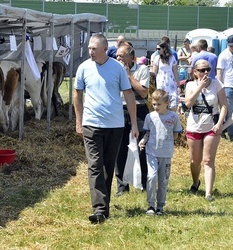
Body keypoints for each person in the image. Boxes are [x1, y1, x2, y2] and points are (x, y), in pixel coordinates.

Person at [74, 34, 139, 224]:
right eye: (89, 48)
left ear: (104, 49)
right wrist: (79, 121)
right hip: (92, 124)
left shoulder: (117, 68)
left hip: (115, 125)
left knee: (107, 166)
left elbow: (128, 95)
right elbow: (77, 94)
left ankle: (104, 206)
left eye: (94, 48)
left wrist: (134, 124)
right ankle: (99, 209)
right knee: (94, 165)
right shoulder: (83, 67)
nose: (90, 52)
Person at [184, 59, 228, 201]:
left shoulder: (217, 84)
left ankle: (208, 193)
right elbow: (188, 103)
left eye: (208, 69)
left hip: (211, 127)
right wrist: (199, 87)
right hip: (194, 126)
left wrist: (219, 124)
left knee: (208, 160)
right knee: (194, 161)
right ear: (195, 72)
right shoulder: (190, 85)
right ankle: (196, 182)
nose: (205, 73)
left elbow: (224, 107)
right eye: (202, 70)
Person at [139, 89, 182, 215]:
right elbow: (148, 132)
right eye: (154, 104)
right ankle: (151, 205)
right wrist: (143, 141)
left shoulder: (173, 117)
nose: (156, 107)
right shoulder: (150, 117)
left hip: (166, 153)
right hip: (151, 151)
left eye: (159, 104)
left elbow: (176, 135)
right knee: (151, 177)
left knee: (163, 181)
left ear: (167, 103)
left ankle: (160, 206)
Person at [115, 42, 150, 196]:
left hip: (139, 108)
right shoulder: (114, 70)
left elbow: (143, 93)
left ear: (131, 58)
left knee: (142, 147)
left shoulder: (142, 70)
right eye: (117, 56)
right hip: (120, 109)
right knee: (119, 148)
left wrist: (128, 75)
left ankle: (143, 182)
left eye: (121, 56)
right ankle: (122, 186)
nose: (118, 59)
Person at [152, 41, 180, 111]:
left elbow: (175, 72)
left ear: (164, 48)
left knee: (172, 99)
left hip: (170, 80)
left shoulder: (172, 58)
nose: (157, 50)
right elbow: (154, 72)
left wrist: (178, 85)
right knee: (161, 98)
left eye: (159, 49)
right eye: (157, 49)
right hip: (160, 81)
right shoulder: (157, 58)